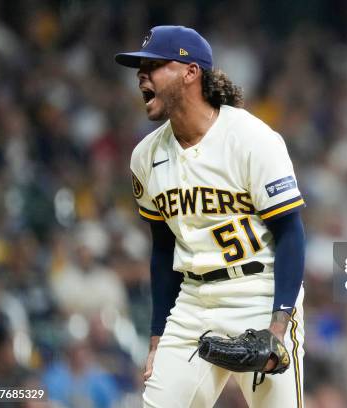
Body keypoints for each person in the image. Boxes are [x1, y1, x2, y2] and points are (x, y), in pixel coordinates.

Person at [115, 25, 306, 407]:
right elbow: (162, 250)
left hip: (258, 293)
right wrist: (158, 339)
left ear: (190, 72)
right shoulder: (145, 156)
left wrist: (278, 327)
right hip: (193, 301)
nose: (142, 75)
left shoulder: (251, 138)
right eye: (140, 67)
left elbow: (290, 233)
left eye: (153, 66)